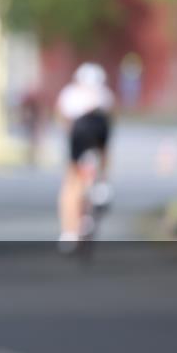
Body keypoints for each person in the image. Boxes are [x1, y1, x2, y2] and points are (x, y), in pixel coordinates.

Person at [54, 62, 115, 252]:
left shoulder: (70, 93)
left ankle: (69, 231)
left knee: (71, 182)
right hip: (100, 128)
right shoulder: (105, 94)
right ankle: (102, 185)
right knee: (103, 154)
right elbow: (111, 119)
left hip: (79, 131)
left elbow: (62, 117)